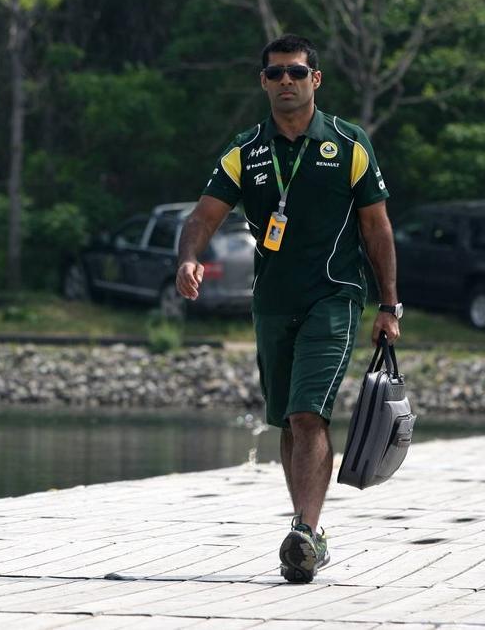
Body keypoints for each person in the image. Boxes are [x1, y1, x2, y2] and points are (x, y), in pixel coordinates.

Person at [176, 34, 401, 584]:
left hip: (334, 296)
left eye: (296, 73)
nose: (286, 82)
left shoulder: (349, 143)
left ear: (315, 80)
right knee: (287, 419)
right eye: (275, 74)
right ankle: (307, 531)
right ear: (263, 82)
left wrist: (389, 303)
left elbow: (377, 228)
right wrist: (187, 259)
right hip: (272, 304)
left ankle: (305, 531)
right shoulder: (246, 150)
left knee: (308, 413)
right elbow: (203, 216)